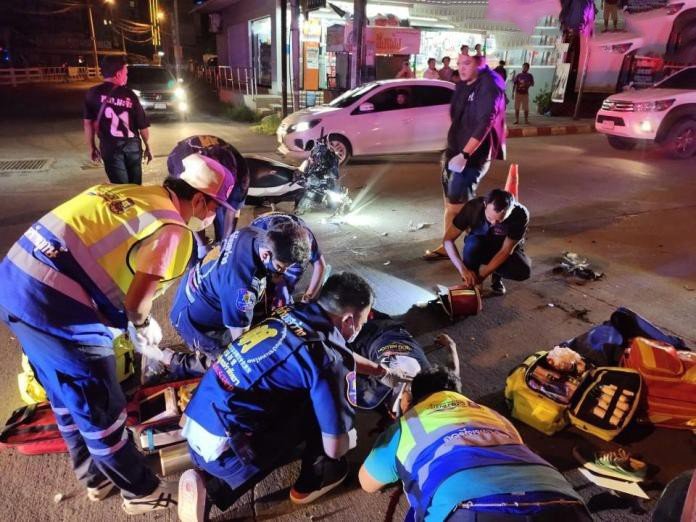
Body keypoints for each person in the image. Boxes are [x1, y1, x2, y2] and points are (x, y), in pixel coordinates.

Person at [0, 137, 238, 515]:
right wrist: (142, 326)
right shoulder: (174, 230)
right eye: (213, 207)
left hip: (14, 279)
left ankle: (93, 477)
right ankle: (139, 492)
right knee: (102, 408)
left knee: (65, 396)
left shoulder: (131, 192)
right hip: (56, 305)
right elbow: (136, 302)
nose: (211, 217)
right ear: (199, 200)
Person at [176, 273, 377, 522]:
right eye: (363, 321)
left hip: (197, 419)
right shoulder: (327, 359)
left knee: (305, 390)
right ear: (348, 319)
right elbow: (335, 447)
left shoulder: (291, 311)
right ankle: (315, 480)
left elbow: (337, 352)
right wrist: (348, 436)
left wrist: (380, 370)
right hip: (229, 453)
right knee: (328, 412)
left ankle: (208, 483)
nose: (361, 327)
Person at [359, 366, 591, 522]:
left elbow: (367, 483)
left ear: (415, 399)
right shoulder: (494, 416)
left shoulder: (409, 423)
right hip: (562, 499)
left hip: (473, 509)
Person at [165, 220, 312, 378]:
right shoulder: (243, 288)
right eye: (280, 268)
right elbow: (240, 344)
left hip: (193, 291)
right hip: (192, 322)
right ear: (266, 255)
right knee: (231, 365)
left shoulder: (252, 233)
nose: (282, 273)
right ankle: (170, 362)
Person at [423, 53, 506, 261]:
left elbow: (485, 122)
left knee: (458, 207)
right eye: (459, 63)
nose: (461, 67)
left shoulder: (488, 86)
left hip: (471, 156)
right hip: (454, 151)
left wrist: (465, 154)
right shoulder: (464, 84)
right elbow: (456, 114)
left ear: (480, 64)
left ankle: (484, 247)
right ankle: (447, 245)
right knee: (450, 204)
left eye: (467, 63)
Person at [166, 135, 249, 257]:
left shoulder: (240, 181)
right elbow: (192, 214)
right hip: (188, 165)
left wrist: (225, 246)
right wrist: (201, 244)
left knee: (222, 227)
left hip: (226, 171)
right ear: (198, 198)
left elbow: (232, 212)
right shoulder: (179, 167)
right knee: (192, 232)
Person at [443, 189, 531, 296]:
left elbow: (506, 250)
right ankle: (472, 280)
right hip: (479, 245)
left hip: (501, 248)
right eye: (490, 218)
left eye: (500, 220)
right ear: (485, 204)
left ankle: (495, 275)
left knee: (522, 271)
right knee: (472, 245)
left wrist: (482, 276)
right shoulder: (472, 207)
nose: (494, 223)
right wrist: (463, 270)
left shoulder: (520, 214)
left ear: (511, 210)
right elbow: (448, 240)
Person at [83, 55, 152, 184]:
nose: (126, 76)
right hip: (133, 147)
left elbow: (88, 124)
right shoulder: (130, 95)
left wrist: (91, 147)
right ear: (118, 74)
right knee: (135, 187)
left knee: (120, 188)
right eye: (126, 73)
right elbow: (143, 127)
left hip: (110, 148)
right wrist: (148, 147)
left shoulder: (92, 93)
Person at [249, 211, 327, 308]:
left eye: (287, 267)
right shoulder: (254, 242)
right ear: (265, 255)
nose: (284, 270)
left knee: (287, 283)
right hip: (265, 244)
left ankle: (281, 299)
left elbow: (320, 265)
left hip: (289, 236)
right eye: (280, 267)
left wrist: (307, 299)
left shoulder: (305, 238)